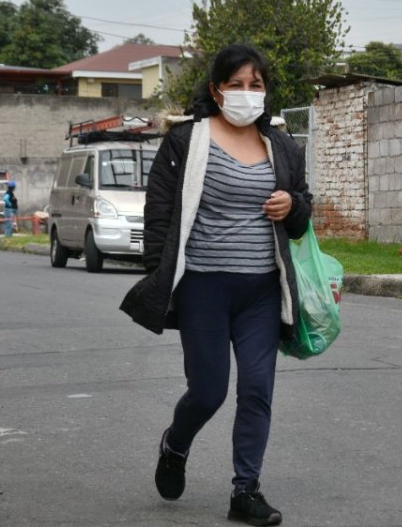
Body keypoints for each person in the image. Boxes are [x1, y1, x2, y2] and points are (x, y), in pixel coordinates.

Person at [120, 43, 311, 526]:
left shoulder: (282, 146)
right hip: (203, 287)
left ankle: (246, 491)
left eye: (256, 85)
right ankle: (175, 444)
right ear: (216, 89)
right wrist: (159, 274)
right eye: (236, 84)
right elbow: (159, 212)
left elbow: (303, 214)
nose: (247, 93)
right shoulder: (186, 140)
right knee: (208, 392)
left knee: (257, 389)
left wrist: (292, 206)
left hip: (261, 290)